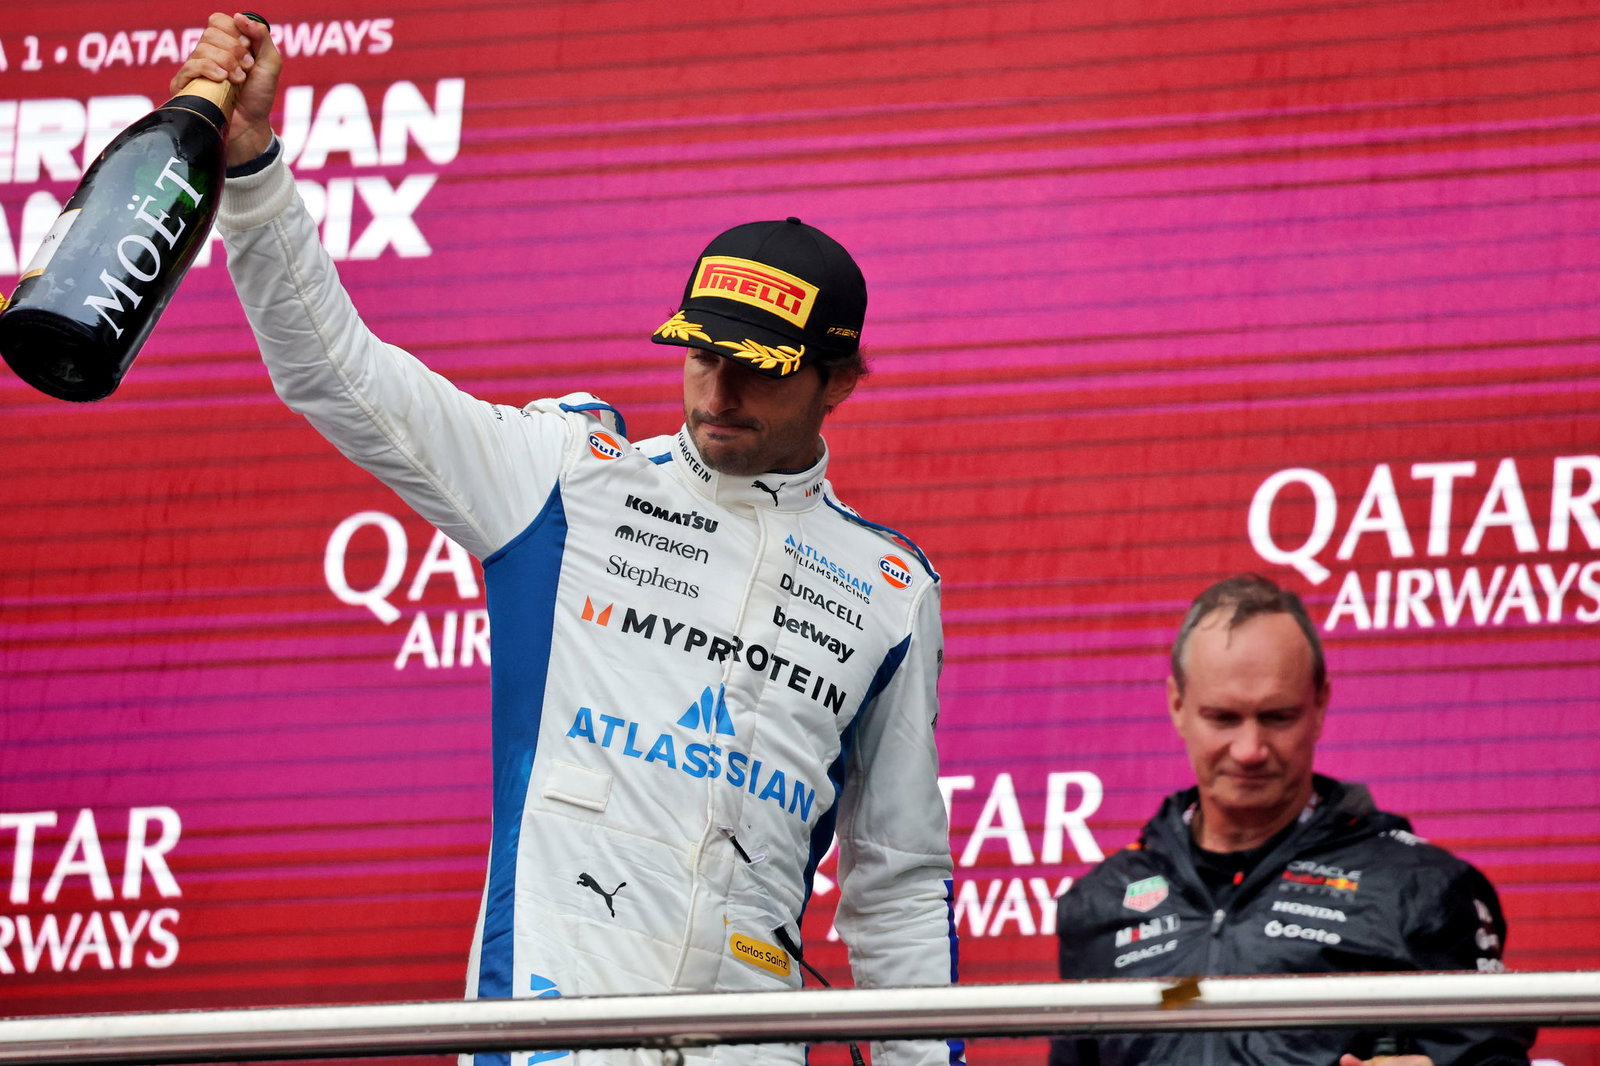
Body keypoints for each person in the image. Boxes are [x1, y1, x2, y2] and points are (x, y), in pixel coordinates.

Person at [174, 14, 962, 1066]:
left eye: (759, 367)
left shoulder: (888, 588)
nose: (718, 391)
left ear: (841, 381)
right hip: (548, 1038)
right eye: (698, 357)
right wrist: (257, 173)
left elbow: (898, 882)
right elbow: (337, 374)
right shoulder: (567, 478)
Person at [1049, 574, 1533, 1066]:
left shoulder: (1420, 886)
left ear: (1319, 704)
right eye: (1223, 717)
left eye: (1278, 717)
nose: (1250, 750)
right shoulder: (1102, 902)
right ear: (1178, 704)